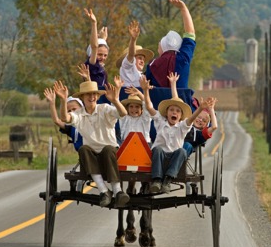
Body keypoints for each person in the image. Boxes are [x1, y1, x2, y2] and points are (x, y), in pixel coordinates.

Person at [53, 77, 130, 208]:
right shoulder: (79, 114)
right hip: (92, 155)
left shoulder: (105, 109)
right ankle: (104, 191)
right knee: (84, 149)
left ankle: (118, 191)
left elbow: (123, 113)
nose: (92, 96)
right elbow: (65, 118)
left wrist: (115, 100)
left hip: (110, 153)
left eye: (94, 94)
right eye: (88, 94)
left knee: (108, 149)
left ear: (98, 97)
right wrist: (63, 100)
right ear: (83, 97)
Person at [140, 72, 211, 194]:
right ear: (166, 113)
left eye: (177, 111)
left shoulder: (182, 126)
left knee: (182, 151)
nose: (174, 113)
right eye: (171, 110)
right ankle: (157, 180)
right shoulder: (160, 121)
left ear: (181, 116)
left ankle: (167, 180)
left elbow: (191, 119)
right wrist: (146, 91)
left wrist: (200, 109)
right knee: (156, 149)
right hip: (159, 157)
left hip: (174, 159)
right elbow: (149, 106)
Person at [145, 0, 196, 89]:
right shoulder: (183, 58)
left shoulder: (152, 65)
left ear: (163, 47)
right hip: (181, 103)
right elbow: (190, 33)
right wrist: (183, 8)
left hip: (158, 103)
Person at [43, 87, 84, 151]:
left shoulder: (88, 120)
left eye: (74, 109)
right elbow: (57, 120)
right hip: (82, 155)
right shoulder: (71, 127)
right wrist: (52, 103)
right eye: (69, 111)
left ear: (82, 108)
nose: (72, 112)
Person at [116, 20, 154, 88]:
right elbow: (131, 55)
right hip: (128, 97)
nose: (142, 61)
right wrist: (133, 39)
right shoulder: (127, 67)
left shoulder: (141, 75)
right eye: (139, 58)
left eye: (143, 59)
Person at [84, 8, 109, 86]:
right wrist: (94, 23)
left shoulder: (101, 68)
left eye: (105, 55)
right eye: (100, 54)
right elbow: (95, 46)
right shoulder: (92, 64)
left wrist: (103, 39)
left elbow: (100, 47)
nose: (103, 57)